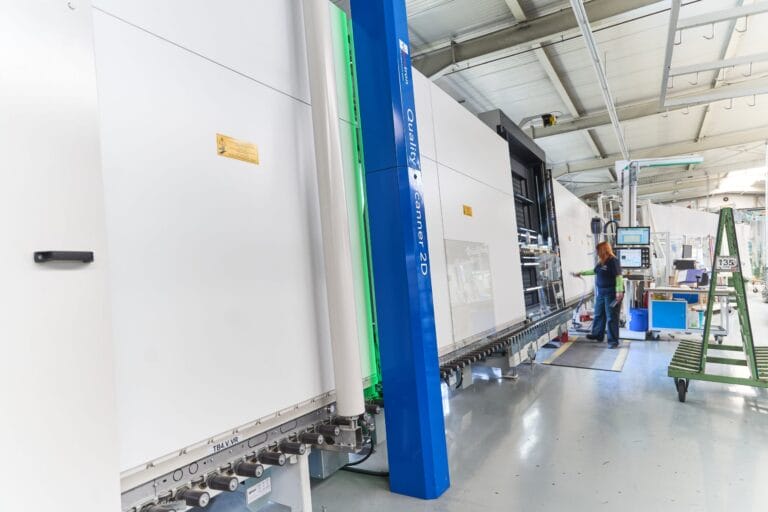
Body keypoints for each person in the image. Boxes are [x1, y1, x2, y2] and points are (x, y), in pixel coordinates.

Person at [572, 241, 624, 348]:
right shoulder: (601, 262)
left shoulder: (613, 261)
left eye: (598, 251)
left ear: (603, 250)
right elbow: (594, 271)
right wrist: (581, 273)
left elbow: (618, 276)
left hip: (611, 293)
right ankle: (597, 335)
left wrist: (619, 291)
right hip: (601, 292)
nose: (597, 253)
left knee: (611, 317)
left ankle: (613, 341)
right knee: (598, 314)